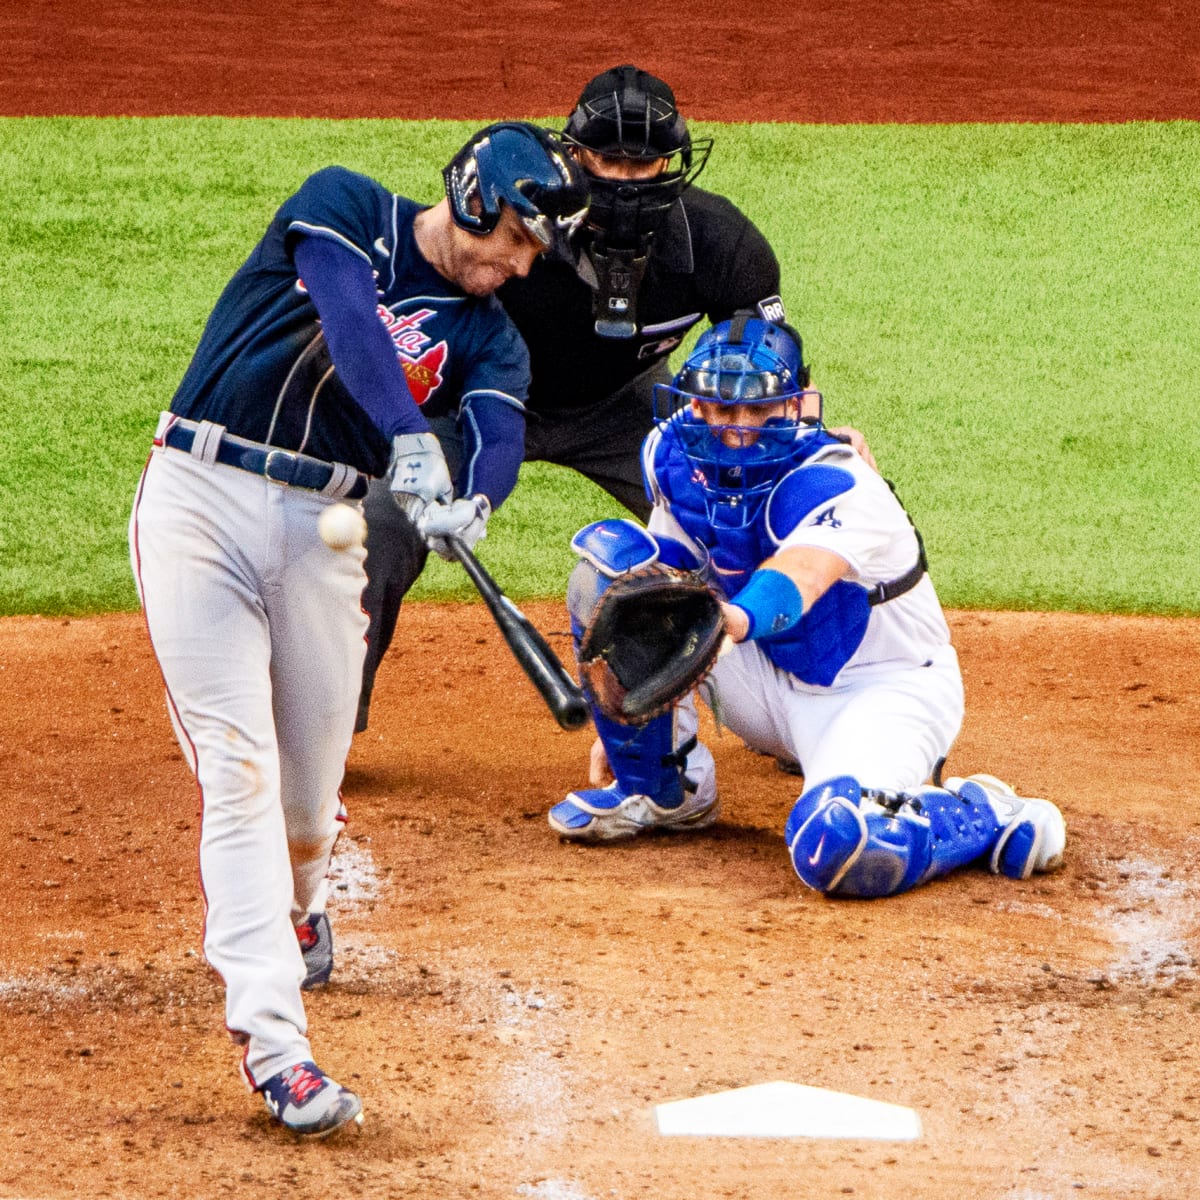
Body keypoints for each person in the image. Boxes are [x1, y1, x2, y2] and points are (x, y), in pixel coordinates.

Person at [128, 123, 589, 1137]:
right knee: (238, 771)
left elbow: (500, 433)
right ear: (472, 197)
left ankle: (300, 902)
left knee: (311, 784)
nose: (516, 265)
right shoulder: (347, 210)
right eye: (514, 239)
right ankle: (275, 1045)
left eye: (532, 255)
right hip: (198, 501)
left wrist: (473, 496)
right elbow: (348, 321)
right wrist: (411, 436)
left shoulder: (491, 334)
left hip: (321, 533)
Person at [356, 64, 833, 733]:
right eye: (609, 158)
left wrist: (818, 452)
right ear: (573, 155)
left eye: (647, 163)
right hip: (479, 402)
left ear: (675, 164)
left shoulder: (718, 244)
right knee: (376, 522)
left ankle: (803, 712)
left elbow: (771, 372)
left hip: (621, 409)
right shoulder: (515, 223)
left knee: (748, 502)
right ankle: (327, 722)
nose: (626, 180)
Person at [550, 315, 1067, 898]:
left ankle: (983, 814)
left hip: (881, 690)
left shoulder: (838, 483)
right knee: (615, 571)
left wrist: (732, 620)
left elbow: (801, 575)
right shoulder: (675, 461)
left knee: (838, 846)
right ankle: (666, 789)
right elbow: (666, 577)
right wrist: (629, 717)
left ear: (796, 408)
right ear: (694, 406)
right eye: (720, 410)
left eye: (758, 411)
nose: (736, 431)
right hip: (764, 680)